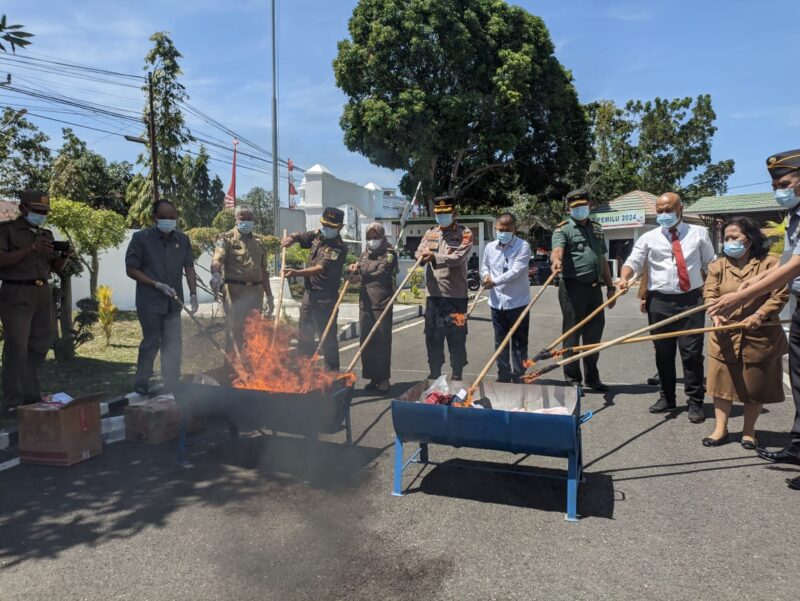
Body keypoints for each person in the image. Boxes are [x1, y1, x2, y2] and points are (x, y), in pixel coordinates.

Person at [710, 150, 800, 486]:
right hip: (734, 328)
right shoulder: (794, 215)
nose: (779, 189)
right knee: (723, 382)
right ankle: (796, 444)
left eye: (785, 183)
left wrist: (751, 300)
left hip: (761, 329)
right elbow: (786, 261)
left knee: (760, 381)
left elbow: (791, 273)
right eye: (776, 184)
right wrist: (748, 286)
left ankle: (753, 433)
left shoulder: (793, 224)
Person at [619, 192, 716, 423]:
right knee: (663, 353)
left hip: (691, 300)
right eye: (659, 211)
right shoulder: (648, 237)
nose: (663, 214)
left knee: (691, 353)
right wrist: (624, 278)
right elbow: (633, 262)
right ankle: (667, 397)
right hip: (659, 301)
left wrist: (714, 295)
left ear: (680, 208)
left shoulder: (699, 233)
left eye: (668, 210)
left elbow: (711, 265)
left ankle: (695, 401)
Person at [701, 217, 788, 448]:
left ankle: (749, 431)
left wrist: (760, 314)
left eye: (734, 238)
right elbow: (709, 292)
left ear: (749, 240)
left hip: (760, 334)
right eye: (726, 238)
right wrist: (714, 312)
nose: (729, 242)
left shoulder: (771, 264)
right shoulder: (717, 265)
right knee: (721, 384)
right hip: (725, 334)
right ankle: (720, 429)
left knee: (754, 385)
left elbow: (779, 294)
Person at [0, 191, 71, 417]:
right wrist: (30, 249)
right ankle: (12, 399)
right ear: (23, 208)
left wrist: (64, 256)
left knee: (41, 342)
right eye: (37, 211)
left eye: (44, 212)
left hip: (43, 291)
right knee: (17, 346)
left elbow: (54, 268)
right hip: (16, 290)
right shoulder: (6, 231)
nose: (41, 215)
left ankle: (30, 394)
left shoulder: (46, 234)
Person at [125, 200, 197, 395]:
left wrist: (193, 293)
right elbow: (131, 269)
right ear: (154, 217)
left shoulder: (182, 240)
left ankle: (172, 383)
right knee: (151, 341)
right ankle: (141, 383)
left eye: (172, 217)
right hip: (150, 301)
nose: (169, 220)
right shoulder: (141, 238)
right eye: (164, 217)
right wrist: (156, 284)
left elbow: (189, 267)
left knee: (173, 343)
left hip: (173, 303)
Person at [550, 189, 615, 391]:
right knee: (571, 335)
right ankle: (572, 379)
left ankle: (592, 377)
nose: (580, 210)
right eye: (575, 207)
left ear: (590, 205)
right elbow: (557, 252)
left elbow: (602, 259)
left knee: (593, 336)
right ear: (569, 208)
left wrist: (611, 286)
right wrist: (556, 261)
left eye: (583, 206)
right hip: (572, 288)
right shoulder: (563, 230)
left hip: (595, 289)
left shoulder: (597, 229)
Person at [281, 207, 347, 371]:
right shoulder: (318, 235)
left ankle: (332, 374)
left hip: (326, 298)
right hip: (309, 296)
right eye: (325, 225)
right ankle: (304, 372)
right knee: (305, 335)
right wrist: (291, 238)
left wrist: (296, 272)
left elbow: (320, 268)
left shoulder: (338, 248)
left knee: (327, 338)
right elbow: (301, 236)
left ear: (340, 227)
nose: (327, 229)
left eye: (332, 227)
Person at [416, 196, 473, 381]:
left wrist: (433, 257)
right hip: (434, 296)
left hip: (455, 296)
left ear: (454, 213)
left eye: (446, 213)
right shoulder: (431, 233)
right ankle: (434, 372)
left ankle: (457, 373)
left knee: (456, 336)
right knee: (432, 336)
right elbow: (419, 251)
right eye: (439, 214)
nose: (441, 217)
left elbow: (457, 258)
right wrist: (421, 256)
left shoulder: (465, 233)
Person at [210, 205, 274, 352]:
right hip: (235, 293)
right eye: (242, 219)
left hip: (256, 293)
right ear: (236, 219)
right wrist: (215, 274)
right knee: (235, 332)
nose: (246, 221)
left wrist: (269, 295)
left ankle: (253, 368)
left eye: (249, 219)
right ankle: (232, 371)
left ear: (254, 220)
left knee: (254, 330)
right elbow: (217, 261)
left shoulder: (259, 241)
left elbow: (264, 271)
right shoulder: (226, 239)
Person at [480, 213, 532, 383]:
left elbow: (516, 272)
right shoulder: (490, 247)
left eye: (505, 230)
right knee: (500, 342)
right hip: (496, 304)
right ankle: (503, 374)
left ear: (514, 229)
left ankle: (519, 375)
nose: (501, 233)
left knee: (519, 343)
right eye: (499, 230)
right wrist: (486, 276)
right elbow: (484, 266)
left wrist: (494, 282)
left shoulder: (523, 246)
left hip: (517, 302)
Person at [348, 223, 396, 392]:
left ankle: (384, 379)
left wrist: (360, 277)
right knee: (366, 342)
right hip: (366, 304)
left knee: (381, 342)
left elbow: (381, 273)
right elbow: (359, 267)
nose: (372, 241)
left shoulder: (389, 254)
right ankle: (372, 377)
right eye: (369, 238)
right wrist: (354, 268)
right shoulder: (364, 254)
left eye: (375, 237)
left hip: (381, 302)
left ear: (382, 237)